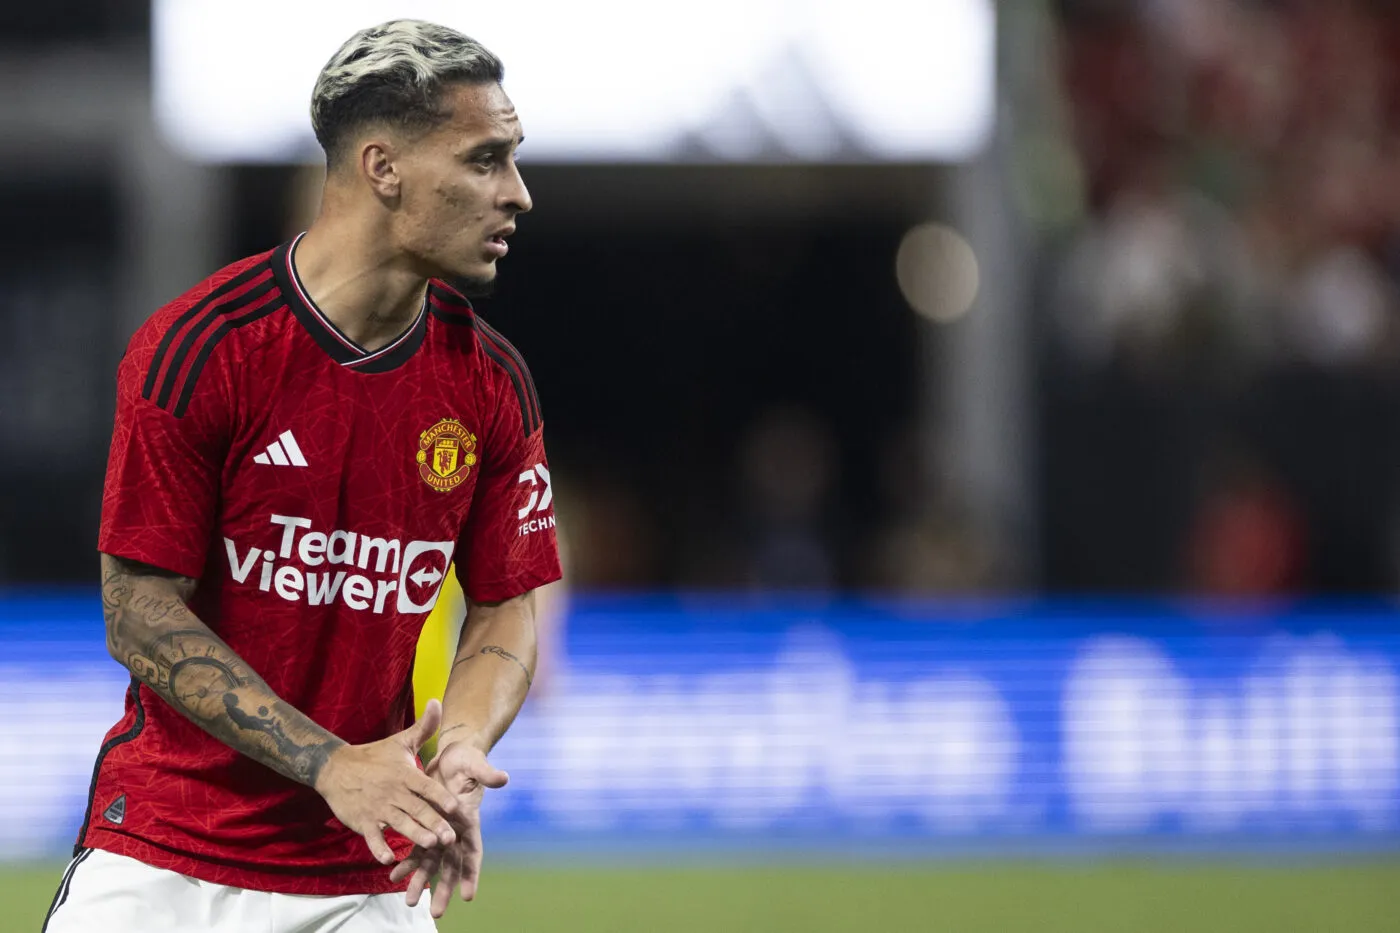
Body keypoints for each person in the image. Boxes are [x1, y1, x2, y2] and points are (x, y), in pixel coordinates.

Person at [43, 19, 559, 932]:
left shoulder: (491, 382)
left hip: (361, 875)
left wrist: (462, 748)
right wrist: (331, 763)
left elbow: (507, 603)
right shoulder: (203, 349)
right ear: (383, 166)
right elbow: (139, 612)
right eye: (485, 160)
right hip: (164, 857)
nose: (515, 194)